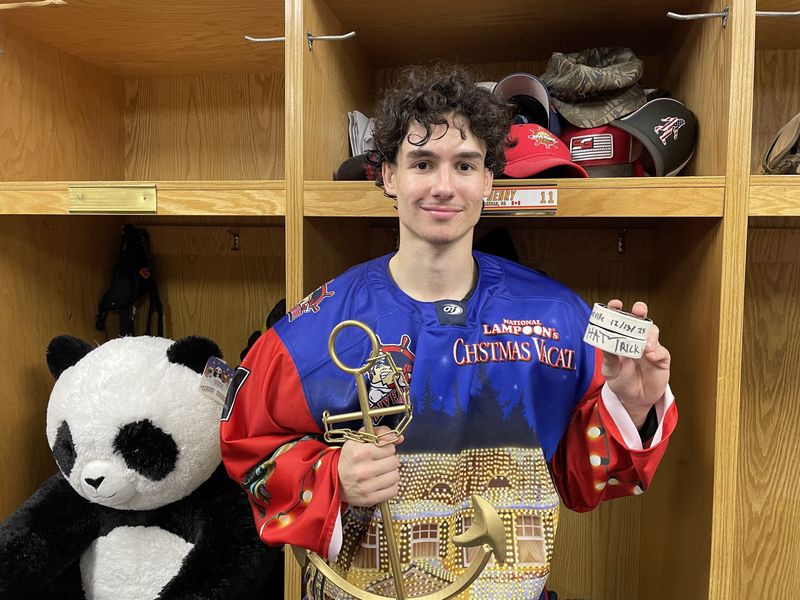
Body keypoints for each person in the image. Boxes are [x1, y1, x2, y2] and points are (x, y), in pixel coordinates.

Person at [220, 64, 677, 600]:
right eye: (421, 162)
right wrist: (330, 476)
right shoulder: (314, 329)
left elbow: (584, 482)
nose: (443, 185)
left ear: (488, 179)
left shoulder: (562, 317)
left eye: (464, 164)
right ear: (388, 175)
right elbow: (248, 450)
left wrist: (632, 406)